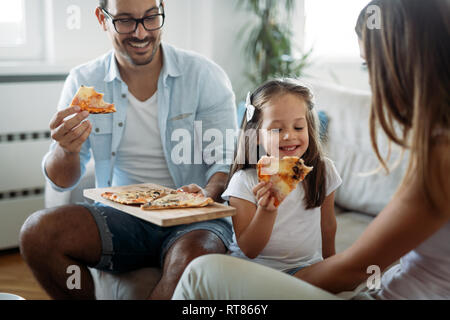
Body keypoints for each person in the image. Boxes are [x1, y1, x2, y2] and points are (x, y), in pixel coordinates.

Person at [172, 0, 450, 300]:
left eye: (370, 64)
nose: (372, 79)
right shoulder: (246, 181)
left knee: (202, 272)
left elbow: (352, 267)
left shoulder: (441, 157)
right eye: (365, 66)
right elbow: (252, 248)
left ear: (403, 62)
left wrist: (293, 282)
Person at [19, 0, 238, 300]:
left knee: (191, 260)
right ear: (101, 18)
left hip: (194, 221)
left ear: (162, 8)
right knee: (38, 234)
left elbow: (224, 165)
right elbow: (62, 179)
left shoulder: (204, 76)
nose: (141, 32)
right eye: (125, 20)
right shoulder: (84, 82)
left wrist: (204, 195)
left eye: (151, 17)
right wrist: (66, 149)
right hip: (121, 218)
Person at [221, 79, 341, 275]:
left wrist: (332, 269)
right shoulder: (244, 181)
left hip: (306, 268)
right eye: (277, 129)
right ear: (257, 135)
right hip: (254, 271)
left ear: (309, 128)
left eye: (298, 127)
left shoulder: (323, 171)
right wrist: (267, 210)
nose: (289, 136)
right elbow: (249, 250)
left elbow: (327, 225)